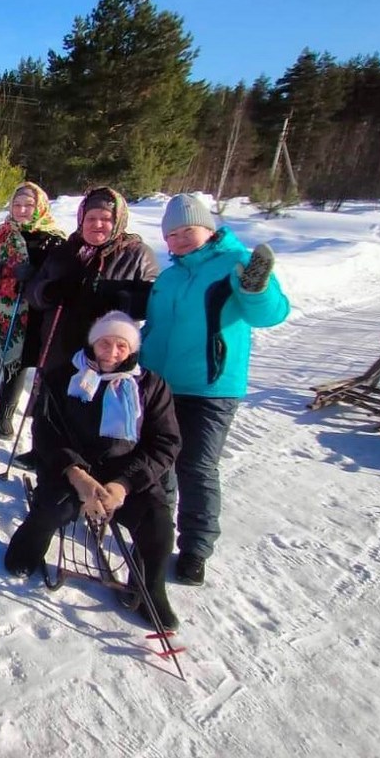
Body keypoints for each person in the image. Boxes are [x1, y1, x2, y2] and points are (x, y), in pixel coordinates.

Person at [140, 194, 289, 586]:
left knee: (196, 467)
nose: (180, 239)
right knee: (159, 463)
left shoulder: (233, 265)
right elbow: (154, 329)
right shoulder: (169, 277)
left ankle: (194, 549)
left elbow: (270, 314)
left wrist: (256, 288)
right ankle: (157, 534)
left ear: (208, 229)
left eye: (187, 230)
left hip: (211, 387)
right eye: (172, 234)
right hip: (160, 385)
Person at [4, 312, 182, 629]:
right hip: (71, 468)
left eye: (120, 346)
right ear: (92, 342)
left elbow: (165, 443)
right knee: (53, 509)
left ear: (132, 350)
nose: (111, 353)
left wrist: (123, 485)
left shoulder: (150, 386)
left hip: (127, 474)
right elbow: (46, 432)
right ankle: (28, 546)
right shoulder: (63, 377)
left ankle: (150, 588)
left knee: (158, 525)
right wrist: (76, 474)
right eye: (104, 343)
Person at [13, 186, 159, 467]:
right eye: (91, 218)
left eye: (105, 219)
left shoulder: (137, 253)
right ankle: (41, 450)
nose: (97, 225)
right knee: (50, 398)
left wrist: (123, 299)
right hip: (59, 340)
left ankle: (86, 462)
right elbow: (33, 291)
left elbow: (153, 299)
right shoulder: (66, 250)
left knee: (91, 404)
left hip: (106, 346)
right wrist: (48, 290)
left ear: (117, 220)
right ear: (81, 219)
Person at [0, 183, 67, 437]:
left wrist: (36, 278)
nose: (22, 210)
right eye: (17, 205)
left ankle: (4, 416)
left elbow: (58, 279)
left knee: (16, 370)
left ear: (39, 206)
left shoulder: (54, 240)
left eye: (28, 205)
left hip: (30, 316)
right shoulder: (0, 233)